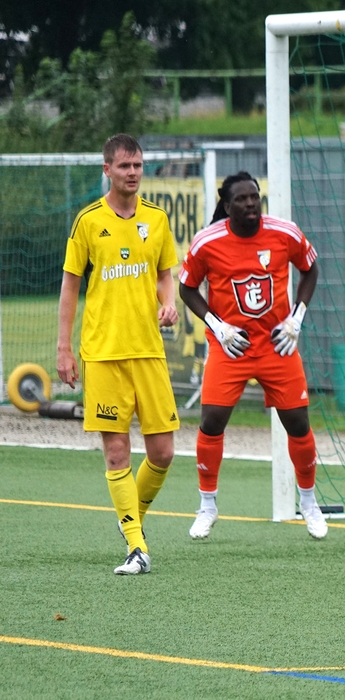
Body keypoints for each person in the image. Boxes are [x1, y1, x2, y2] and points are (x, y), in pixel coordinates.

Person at [177, 172, 327, 540]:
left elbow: (310, 269)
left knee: (298, 423)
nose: (250, 204)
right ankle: (207, 506)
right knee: (212, 421)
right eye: (242, 199)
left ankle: (309, 503)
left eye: (254, 197)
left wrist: (296, 319)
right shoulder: (207, 242)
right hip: (231, 346)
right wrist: (218, 327)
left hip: (277, 344)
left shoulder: (285, 233)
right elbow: (187, 288)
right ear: (227, 206)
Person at [57, 133, 180, 575]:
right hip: (103, 352)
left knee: (163, 452)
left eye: (138, 165)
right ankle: (136, 547)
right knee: (116, 452)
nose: (132, 173)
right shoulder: (88, 221)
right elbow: (71, 284)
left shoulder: (157, 219)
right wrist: (64, 347)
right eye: (124, 166)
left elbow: (165, 274)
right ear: (107, 169)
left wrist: (169, 303)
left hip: (147, 350)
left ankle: (131, 520)